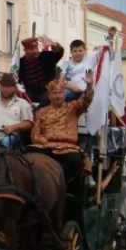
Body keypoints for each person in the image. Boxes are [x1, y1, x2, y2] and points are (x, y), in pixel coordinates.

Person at [26, 68, 95, 196]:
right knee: (28, 155)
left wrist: (89, 85)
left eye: (60, 93)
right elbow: (35, 133)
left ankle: (61, 185)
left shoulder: (73, 107)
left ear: (63, 94)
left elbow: (86, 100)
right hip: (46, 146)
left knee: (74, 158)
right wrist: (45, 142)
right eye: (55, 93)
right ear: (49, 95)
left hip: (68, 148)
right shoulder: (41, 112)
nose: (58, 96)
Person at [0, 72, 34, 150]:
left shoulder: (22, 103)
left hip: (11, 137)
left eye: (8, 86)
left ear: (14, 88)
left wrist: (13, 128)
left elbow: (28, 123)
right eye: (3, 86)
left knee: (5, 142)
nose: (5, 89)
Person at [17, 35, 65, 108]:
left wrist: (54, 44)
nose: (35, 51)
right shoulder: (21, 62)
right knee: (23, 98)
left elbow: (59, 53)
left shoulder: (45, 56)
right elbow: (19, 80)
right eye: (31, 49)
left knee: (46, 99)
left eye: (36, 48)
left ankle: (37, 113)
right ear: (25, 50)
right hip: (29, 90)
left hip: (46, 89)